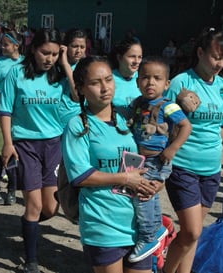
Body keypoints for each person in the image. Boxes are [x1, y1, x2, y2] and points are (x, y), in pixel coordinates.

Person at [162, 28, 223, 273]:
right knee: (192, 230)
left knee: (195, 233)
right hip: (183, 165)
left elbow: (222, 128)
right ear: (200, 52)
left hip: (211, 169)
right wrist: (175, 104)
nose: (219, 63)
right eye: (215, 57)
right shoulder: (182, 82)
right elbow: (161, 118)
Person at [62, 55, 159, 273]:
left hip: (138, 224)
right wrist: (125, 178)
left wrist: (153, 183)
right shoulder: (77, 126)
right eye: (96, 83)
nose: (105, 88)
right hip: (102, 224)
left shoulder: (129, 118)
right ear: (81, 89)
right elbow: (80, 176)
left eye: (108, 79)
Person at [0, 28, 64, 273]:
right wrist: (8, 142)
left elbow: (78, 99)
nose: (50, 59)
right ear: (34, 49)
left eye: (55, 54)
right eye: (45, 53)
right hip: (25, 145)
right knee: (34, 205)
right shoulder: (16, 73)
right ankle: (31, 261)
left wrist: (65, 64)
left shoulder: (60, 77)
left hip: (54, 145)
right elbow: (5, 109)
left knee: (51, 208)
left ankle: (28, 226)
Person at [127, 56, 192, 262]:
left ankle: (148, 236)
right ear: (138, 81)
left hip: (157, 159)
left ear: (167, 83)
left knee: (143, 194)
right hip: (140, 159)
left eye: (157, 78)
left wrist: (173, 148)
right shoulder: (138, 103)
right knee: (150, 195)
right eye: (145, 78)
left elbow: (185, 126)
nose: (150, 82)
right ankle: (155, 229)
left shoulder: (167, 106)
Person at [0, 30, 24, 205]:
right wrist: (0, 105)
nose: (2, 47)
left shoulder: (25, 63)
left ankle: (12, 189)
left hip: (21, 114)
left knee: (16, 155)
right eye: (1, 44)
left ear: (16, 45)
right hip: (3, 112)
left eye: (6, 44)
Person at [58, 28, 87, 128]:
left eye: (82, 47)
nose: (78, 51)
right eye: (74, 46)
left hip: (74, 122)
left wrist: (66, 64)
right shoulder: (54, 66)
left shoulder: (85, 68)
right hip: (54, 122)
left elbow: (77, 96)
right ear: (66, 46)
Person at [108, 37, 143, 107]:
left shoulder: (144, 79)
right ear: (119, 57)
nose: (136, 61)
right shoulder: (108, 79)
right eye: (132, 56)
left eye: (140, 57)